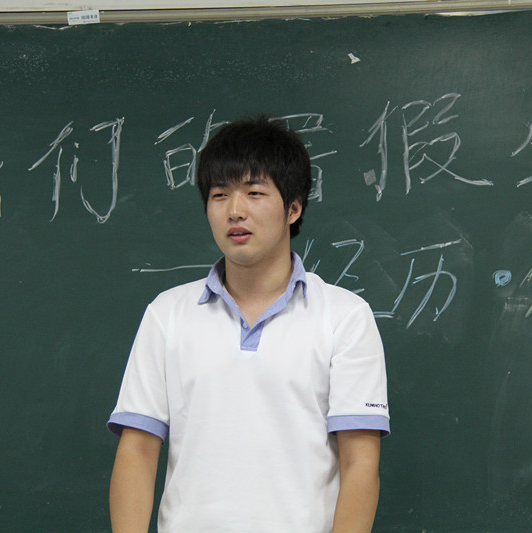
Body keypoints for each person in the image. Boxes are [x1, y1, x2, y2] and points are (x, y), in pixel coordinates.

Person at [107, 115, 390, 532]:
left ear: (293, 208)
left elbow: (360, 464)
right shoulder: (167, 313)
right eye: (219, 195)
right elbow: (138, 450)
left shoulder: (345, 316)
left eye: (255, 193)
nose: (235, 211)